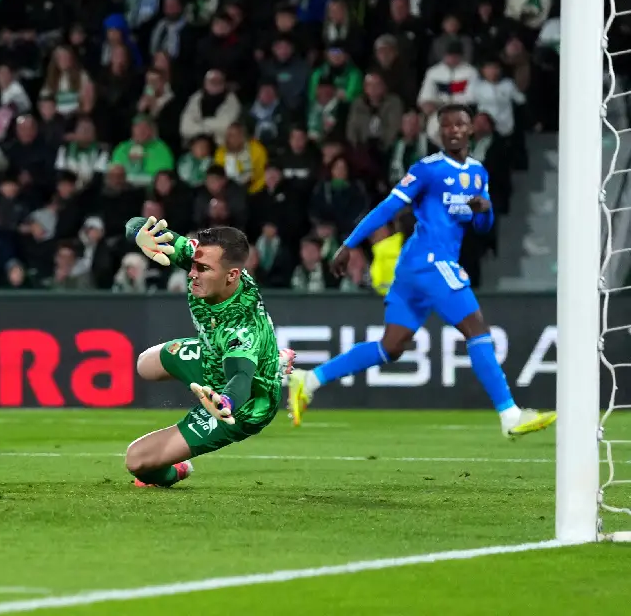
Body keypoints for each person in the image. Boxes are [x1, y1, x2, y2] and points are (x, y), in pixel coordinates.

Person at [287, 104, 556, 438]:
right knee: (476, 327)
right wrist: (350, 243)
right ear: (438, 132)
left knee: (392, 346)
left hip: (419, 269)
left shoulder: (478, 173)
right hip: (429, 261)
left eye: (460, 125)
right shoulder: (427, 169)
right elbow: (389, 206)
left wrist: (484, 209)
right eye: (446, 126)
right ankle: (510, 415)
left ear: (471, 130)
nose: (453, 130)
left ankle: (309, 380)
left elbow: (482, 225)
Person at [120, 217, 294, 488]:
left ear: (232, 275)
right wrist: (139, 234)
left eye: (202, 269)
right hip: (211, 355)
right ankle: (271, 361)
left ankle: (175, 470)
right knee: (144, 364)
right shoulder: (202, 257)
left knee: (137, 461)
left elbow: (240, 380)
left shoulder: (240, 326)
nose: (191, 274)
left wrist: (225, 404)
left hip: (242, 404)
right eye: (193, 265)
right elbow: (137, 224)